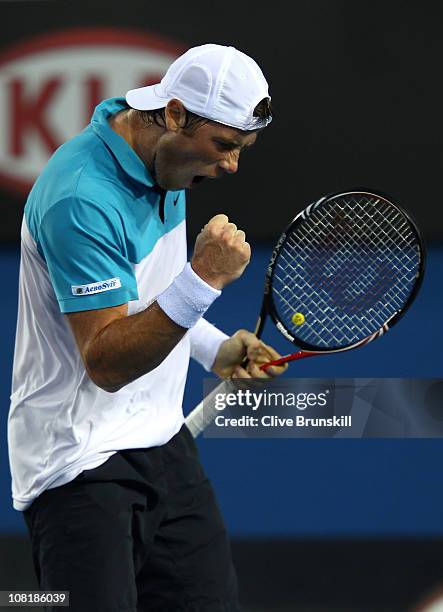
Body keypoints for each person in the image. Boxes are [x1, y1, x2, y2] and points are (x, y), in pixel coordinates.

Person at [8, 43, 285, 611]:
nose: (232, 166)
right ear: (177, 114)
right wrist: (204, 277)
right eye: (225, 146)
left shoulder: (170, 160)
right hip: (79, 467)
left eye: (242, 149)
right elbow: (107, 362)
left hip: (163, 444)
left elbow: (147, 301)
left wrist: (214, 348)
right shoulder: (81, 197)